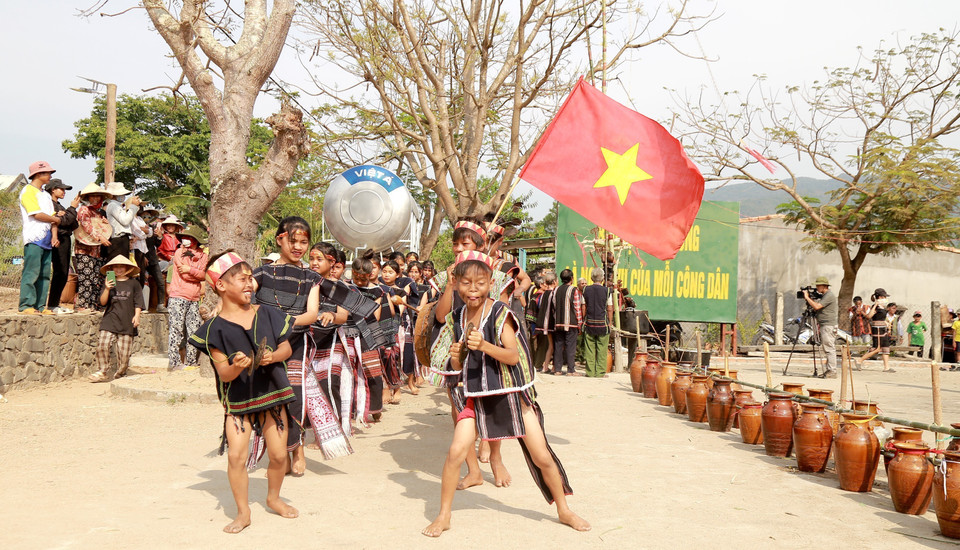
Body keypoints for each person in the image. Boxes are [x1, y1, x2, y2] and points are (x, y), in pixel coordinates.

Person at [422, 256, 590, 538]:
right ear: (457, 284)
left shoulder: (500, 313)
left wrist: (485, 345)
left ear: (490, 284)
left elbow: (513, 356)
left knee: (542, 456)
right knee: (454, 454)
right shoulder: (457, 317)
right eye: (465, 283)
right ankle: (444, 515)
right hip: (474, 394)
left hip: (509, 393)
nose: (472, 289)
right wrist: (455, 358)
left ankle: (564, 509)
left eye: (479, 283)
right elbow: (456, 366)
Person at [188, 251, 299, 534]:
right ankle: (243, 512)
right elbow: (224, 373)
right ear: (221, 286)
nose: (250, 284)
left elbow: (286, 348)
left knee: (277, 456)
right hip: (238, 402)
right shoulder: (213, 329)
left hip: (273, 395)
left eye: (251, 279)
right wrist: (236, 366)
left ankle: (273, 498)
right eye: (242, 279)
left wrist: (272, 357)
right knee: (236, 457)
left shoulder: (269, 314)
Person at [88, 256, 143, 382]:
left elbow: (138, 301)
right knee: (102, 345)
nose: (118, 269)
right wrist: (107, 288)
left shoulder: (134, 283)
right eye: (116, 267)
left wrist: (137, 316)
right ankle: (102, 371)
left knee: (124, 354)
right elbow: (102, 302)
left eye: (121, 266)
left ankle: (121, 373)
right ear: (111, 268)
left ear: (127, 268)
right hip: (110, 319)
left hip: (127, 321)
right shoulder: (109, 282)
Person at [18, 161, 60, 314]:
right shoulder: (28, 191)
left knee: (44, 274)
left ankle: (40, 306)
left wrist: (54, 235)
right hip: (34, 237)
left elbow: (52, 216)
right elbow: (36, 214)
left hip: (47, 238)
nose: (50, 176)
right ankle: (26, 305)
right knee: (32, 272)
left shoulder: (46, 195)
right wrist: (55, 220)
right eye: (47, 173)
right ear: (38, 174)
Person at [167, 226, 208, 371]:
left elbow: (204, 275)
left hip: (195, 298)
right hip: (178, 295)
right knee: (176, 329)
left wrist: (191, 270)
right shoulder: (179, 252)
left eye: (190, 238)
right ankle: (174, 363)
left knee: (194, 330)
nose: (186, 240)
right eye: (186, 237)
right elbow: (184, 274)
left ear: (196, 241)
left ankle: (191, 362)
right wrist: (197, 273)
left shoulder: (204, 256)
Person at [72, 184, 114, 313]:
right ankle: (83, 305)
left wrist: (106, 225)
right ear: (88, 198)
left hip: (97, 251)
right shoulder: (84, 210)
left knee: (95, 278)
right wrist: (100, 237)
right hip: (84, 250)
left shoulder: (99, 213)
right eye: (93, 196)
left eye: (98, 196)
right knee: (86, 277)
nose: (95, 199)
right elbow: (86, 225)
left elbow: (102, 228)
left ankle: (93, 305)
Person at [45, 178, 79, 314]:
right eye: (61, 189)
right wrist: (72, 209)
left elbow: (73, 223)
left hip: (65, 239)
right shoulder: (50, 205)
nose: (64, 192)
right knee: (59, 272)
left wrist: (67, 215)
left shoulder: (60, 206)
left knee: (64, 272)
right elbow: (63, 222)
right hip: (57, 239)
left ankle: (55, 303)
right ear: (53, 189)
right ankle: (52, 304)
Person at [802, 276, 838, 378]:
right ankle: (830, 370)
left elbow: (817, 306)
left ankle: (832, 371)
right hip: (825, 324)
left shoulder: (829, 295)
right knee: (828, 348)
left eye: (818, 285)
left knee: (829, 348)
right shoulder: (825, 295)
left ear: (824, 286)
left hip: (828, 325)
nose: (817, 287)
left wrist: (807, 297)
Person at [581, 268, 613, 378]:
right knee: (602, 349)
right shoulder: (607, 291)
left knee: (589, 349)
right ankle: (600, 373)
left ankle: (590, 372)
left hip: (589, 323)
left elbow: (583, 306)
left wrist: (583, 319)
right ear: (603, 278)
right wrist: (610, 322)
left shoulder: (585, 290)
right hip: (602, 324)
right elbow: (609, 308)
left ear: (591, 278)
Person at [551, 269, 583, 376]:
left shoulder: (556, 290)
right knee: (571, 346)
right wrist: (580, 323)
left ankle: (558, 370)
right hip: (571, 323)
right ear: (572, 278)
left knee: (558, 346)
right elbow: (577, 307)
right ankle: (571, 370)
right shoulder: (574, 290)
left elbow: (554, 306)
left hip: (559, 322)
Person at [857, 288, 895, 372]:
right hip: (877, 330)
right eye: (884, 297)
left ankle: (886, 367)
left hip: (883, 329)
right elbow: (869, 316)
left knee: (885, 347)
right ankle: (859, 360)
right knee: (877, 349)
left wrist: (886, 323)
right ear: (880, 297)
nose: (885, 299)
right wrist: (875, 305)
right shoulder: (876, 307)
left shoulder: (882, 307)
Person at [103, 182, 141, 261]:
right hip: (117, 239)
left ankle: (113, 274)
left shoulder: (118, 206)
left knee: (122, 265)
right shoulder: (113, 205)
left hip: (123, 239)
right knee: (114, 264)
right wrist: (133, 206)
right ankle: (110, 274)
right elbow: (125, 221)